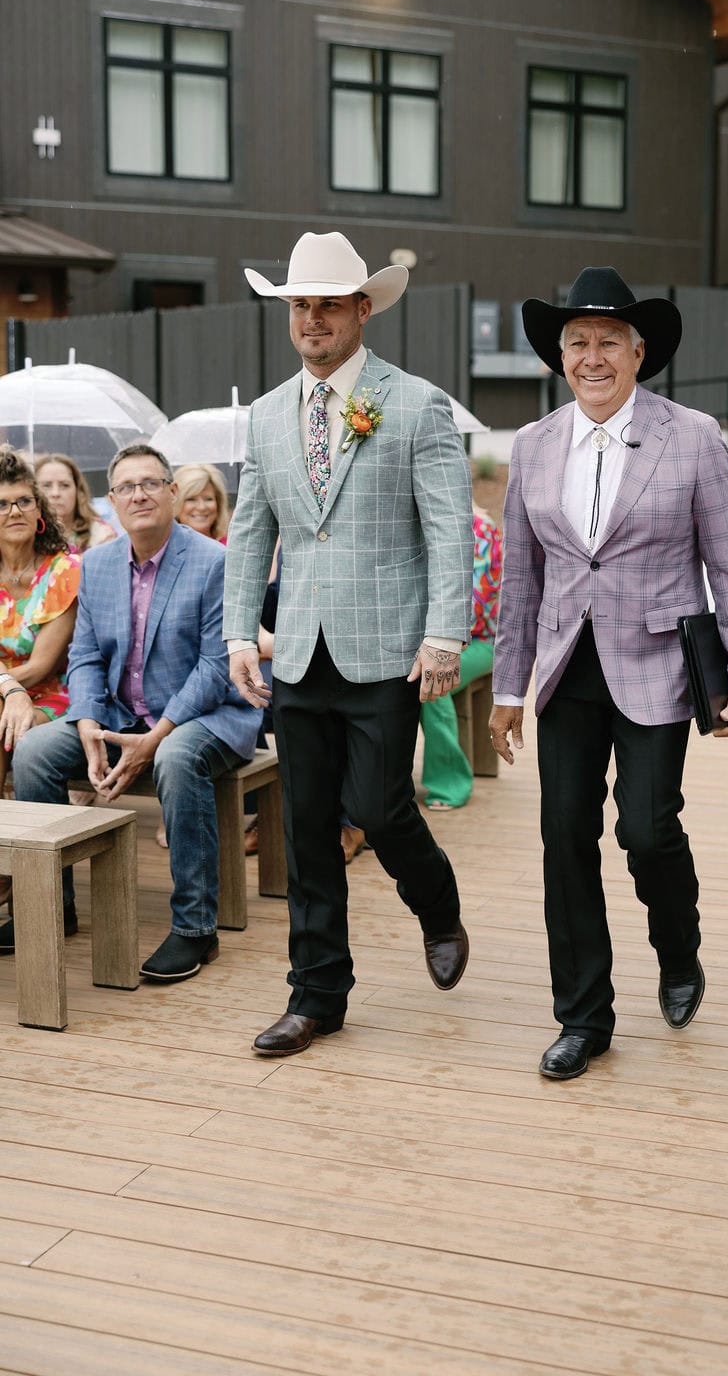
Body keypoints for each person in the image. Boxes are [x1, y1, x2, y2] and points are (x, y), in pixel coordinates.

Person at [489, 268, 728, 1081]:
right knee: (564, 837)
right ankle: (583, 1017)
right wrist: (508, 688)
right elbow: (521, 580)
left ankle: (678, 950)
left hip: (656, 664)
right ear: (559, 357)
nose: (593, 356)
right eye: (577, 342)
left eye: (609, 341)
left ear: (640, 352)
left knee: (646, 830)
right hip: (565, 668)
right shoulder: (534, 446)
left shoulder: (694, 437)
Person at [225, 230, 473, 1058]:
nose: (312, 319)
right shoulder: (266, 416)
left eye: (329, 304)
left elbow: (449, 531)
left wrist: (444, 635)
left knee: (378, 808)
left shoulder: (417, 404)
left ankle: (437, 905)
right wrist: (239, 634)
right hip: (298, 651)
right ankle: (317, 995)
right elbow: (250, 533)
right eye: (300, 305)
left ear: (364, 309)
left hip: (388, 648)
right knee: (305, 828)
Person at [9, 443, 264, 975]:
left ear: (171, 492)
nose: (139, 495)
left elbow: (215, 667)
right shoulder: (98, 564)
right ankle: (52, 907)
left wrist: (157, 736)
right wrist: (86, 724)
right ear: (112, 499)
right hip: (120, 714)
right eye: (126, 487)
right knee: (33, 750)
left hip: (208, 715)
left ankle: (195, 928)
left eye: (150, 483)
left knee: (175, 757)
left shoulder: (215, 561)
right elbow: (84, 656)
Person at [0, 446, 81, 910]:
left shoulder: (63, 570)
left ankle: (13, 868)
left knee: (8, 728)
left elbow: (43, 664)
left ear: (39, 512)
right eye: (2, 503)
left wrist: (13, 689)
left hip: (54, 695)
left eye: (23, 501)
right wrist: (9, 689)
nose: (14, 511)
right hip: (7, 694)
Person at [420, 507, 502, 810]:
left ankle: (450, 782)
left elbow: (475, 608)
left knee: (433, 680)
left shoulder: (481, 529)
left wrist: (436, 643)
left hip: (479, 642)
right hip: (424, 638)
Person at [35, 453, 118, 553]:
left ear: (78, 491)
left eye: (64, 485)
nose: (55, 493)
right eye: (46, 486)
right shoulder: (26, 536)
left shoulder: (102, 535)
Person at [173, 463, 230, 543]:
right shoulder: (160, 547)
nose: (202, 507)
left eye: (208, 499)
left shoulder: (231, 547)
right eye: (191, 499)